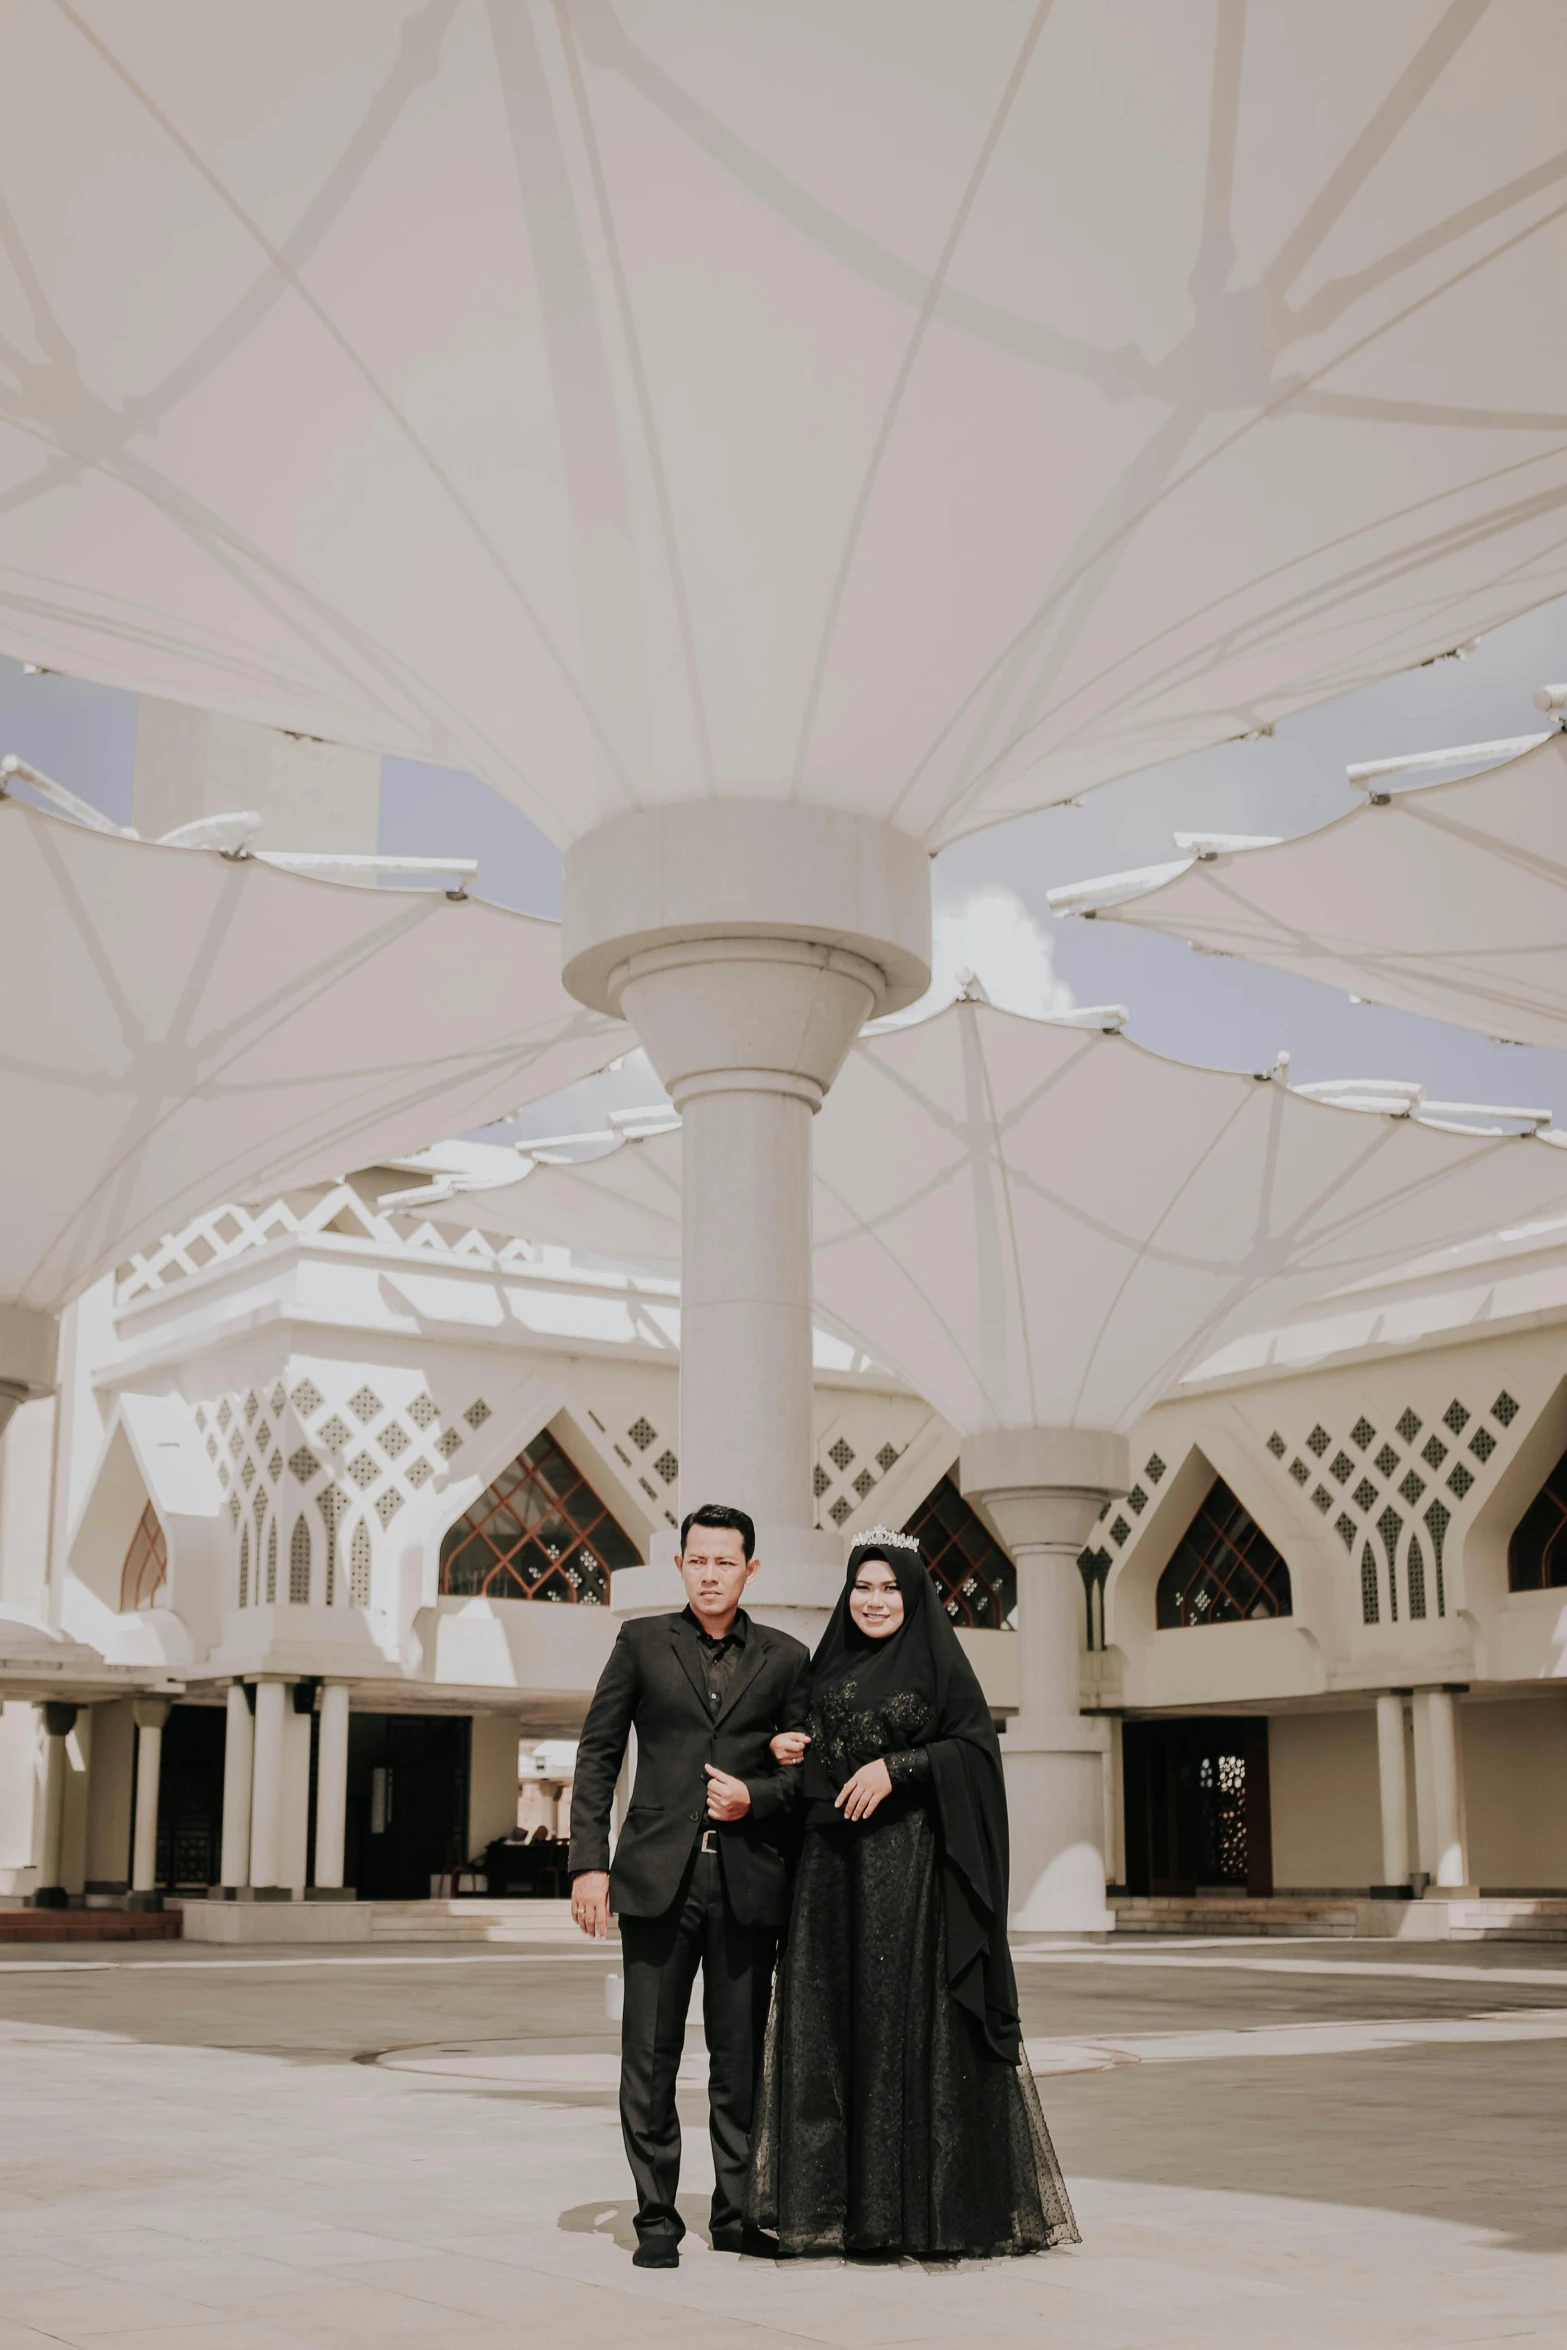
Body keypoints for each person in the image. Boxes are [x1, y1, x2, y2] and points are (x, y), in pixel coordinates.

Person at [747, 1527, 1079, 2261]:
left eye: (888, 1587)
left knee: (904, 2029)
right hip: (831, 1880)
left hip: (909, 1880)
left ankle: (918, 2215)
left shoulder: (940, 1666)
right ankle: (846, 2213)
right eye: (862, 1586)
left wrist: (903, 1766)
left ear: (914, 1593)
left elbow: (973, 1751)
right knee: (836, 2031)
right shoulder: (826, 1663)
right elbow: (810, 1760)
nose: (874, 1599)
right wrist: (785, 1747)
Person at [568, 1502, 810, 2268]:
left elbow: (803, 1776)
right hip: (652, 1882)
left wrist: (754, 1797)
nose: (710, 1575)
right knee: (649, 2057)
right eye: (697, 1561)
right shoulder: (640, 1642)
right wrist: (588, 1863)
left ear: (750, 1569)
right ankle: (656, 2221)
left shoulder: (785, 1656)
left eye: (724, 1562)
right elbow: (598, 1753)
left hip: (746, 1883)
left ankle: (738, 2215)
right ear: (680, 1566)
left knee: (739, 2063)